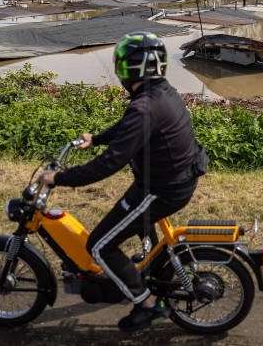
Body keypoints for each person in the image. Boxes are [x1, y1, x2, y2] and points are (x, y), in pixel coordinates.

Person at [38, 31, 208, 332]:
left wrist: (59, 178)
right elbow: (128, 127)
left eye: (121, 65)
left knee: (100, 245)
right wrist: (98, 138)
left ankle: (149, 306)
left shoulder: (145, 106)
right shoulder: (159, 92)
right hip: (171, 180)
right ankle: (145, 274)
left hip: (162, 189)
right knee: (123, 223)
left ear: (131, 69)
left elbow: (109, 164)